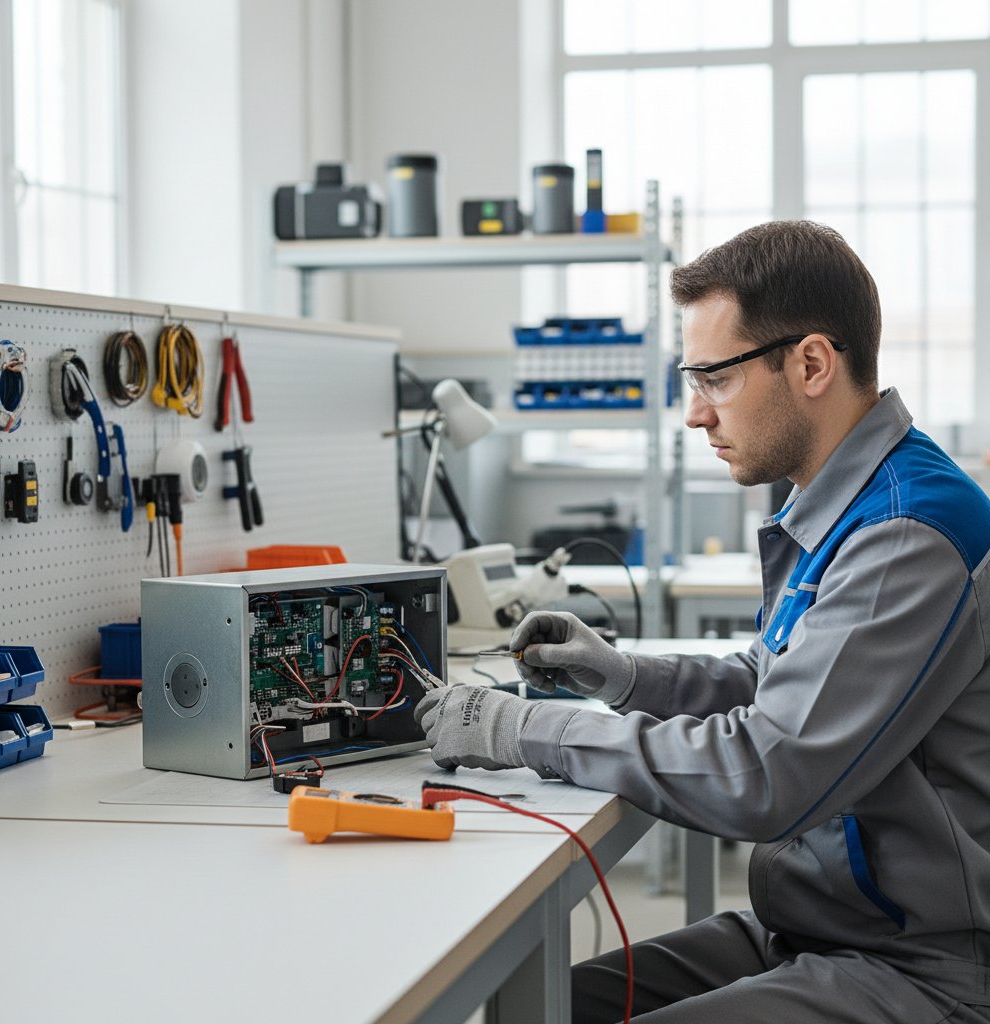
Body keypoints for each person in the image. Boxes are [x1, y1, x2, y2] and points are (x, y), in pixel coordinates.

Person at [414, 220, 990, 1023]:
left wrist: (525, 729)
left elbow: (767, 772)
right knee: (545, 1007)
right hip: (813, 926)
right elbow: (773, 683)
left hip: (920, 966)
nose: (695, 414)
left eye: (714, 378)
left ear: (813, 363)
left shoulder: (905, 533)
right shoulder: (843, 500)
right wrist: (623, 677)